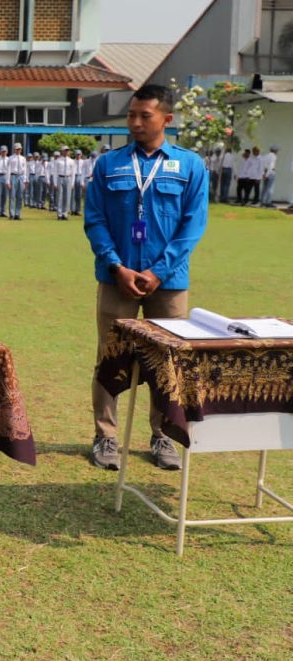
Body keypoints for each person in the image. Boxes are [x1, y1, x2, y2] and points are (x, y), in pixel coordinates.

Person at [84, 83, 208, 471]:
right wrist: (116, 265)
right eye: (131, 115)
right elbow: (95, 220)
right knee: (110, 356)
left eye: (145, 116)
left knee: (166, 362)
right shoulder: (109, 164)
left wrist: (158, 271)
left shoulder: (190, 166)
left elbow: (192, 225)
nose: (135, 123)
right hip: (116, 277)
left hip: (167, 284)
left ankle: (162, 436)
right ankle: (105, 437)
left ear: (167, 119)